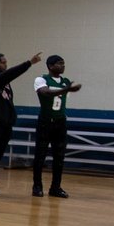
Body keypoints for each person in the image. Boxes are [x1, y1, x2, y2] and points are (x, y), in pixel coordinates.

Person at [0, 50, 43, 197]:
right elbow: (10, 74)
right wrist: (29, 63)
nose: (6, 65)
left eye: (6, 62)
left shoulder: (1, 80)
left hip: (4, 124)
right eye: (3, 62)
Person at [31, 55, 82, 198]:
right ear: (50, 66)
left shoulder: (65, 82)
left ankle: (55, 187)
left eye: (64, 63)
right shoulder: (41, 80)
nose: (63, 66)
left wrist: (67, 89)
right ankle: (37, 186)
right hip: (45, 121)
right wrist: (66, 90)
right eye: (60, 64)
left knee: (59, 156)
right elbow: (45, 93)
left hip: (60, 122)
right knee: (40, 155)